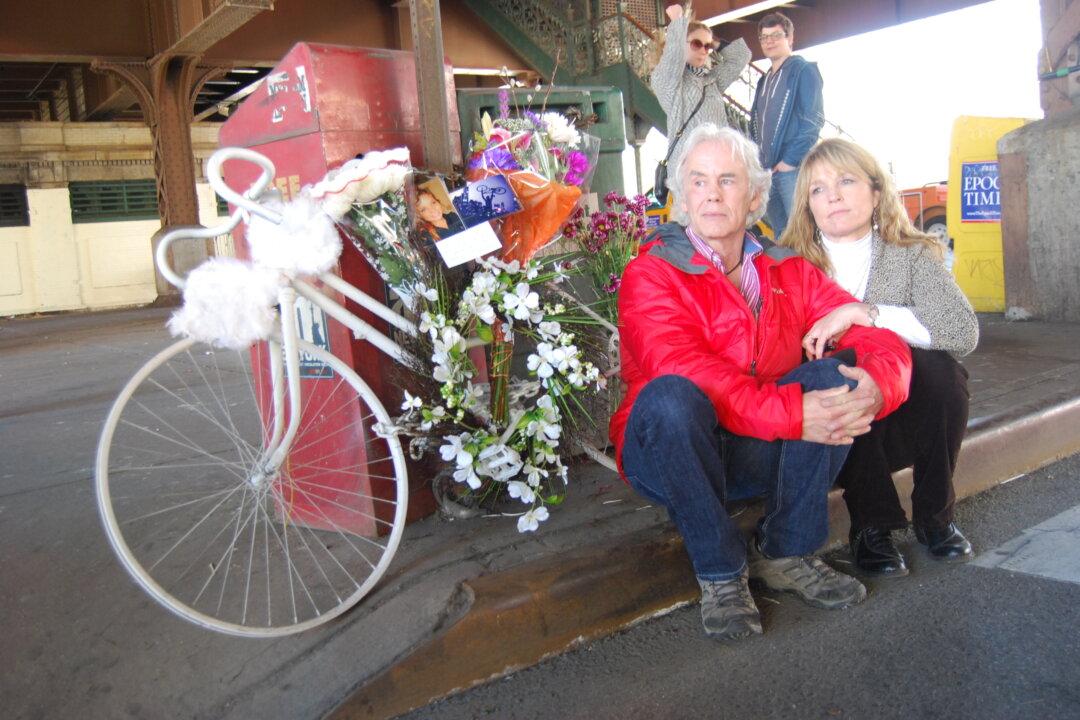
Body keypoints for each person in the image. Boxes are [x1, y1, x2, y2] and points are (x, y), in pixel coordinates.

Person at [611, 123, 913, 641]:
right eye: (698, 181)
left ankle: (787, 550)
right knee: (669, 398)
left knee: (833, 374)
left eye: (727, 180)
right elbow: (683, 368)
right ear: (681, 197)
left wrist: (879, 385)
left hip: (756, 450)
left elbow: (870, 332)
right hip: (670, 452)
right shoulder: (652, 272)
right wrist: (794, 413)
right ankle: (721, 572)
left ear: (754, 197)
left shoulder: (787, 270)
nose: (711, 193)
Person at [781, 138, 979, 577]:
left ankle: (935, 516)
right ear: (807, 205)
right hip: (834, 432)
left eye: (846, 181)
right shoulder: (789, 265)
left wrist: (864, 312)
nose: (831, 195)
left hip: (908, 420)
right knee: (840, 371)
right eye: (817, 188)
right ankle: (872, 527)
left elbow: (962, 332)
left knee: (942, 370)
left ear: (875, 192)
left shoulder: (910, 255)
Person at [651, 3, 751, 171]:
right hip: (689, 170)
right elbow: (672, 61)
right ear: (681, 42)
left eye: (707, 46)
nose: (704, 50)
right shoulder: (667, 82)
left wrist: (714, 42)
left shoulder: (711, 80)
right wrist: (677, 22)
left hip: (720, 165)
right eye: (696, 44)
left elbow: (741, 57)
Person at [750, 12, 823, 238]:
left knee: (804, 232)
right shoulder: (764, 79)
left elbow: (814, 120)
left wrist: (789, 162)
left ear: (790, 39)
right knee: (782, 235)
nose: (769, 41)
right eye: (764, 37)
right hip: (768, 170)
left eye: (776, 36)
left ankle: (811, 274)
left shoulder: (803, 70)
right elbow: (756, 124)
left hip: (792, 169)